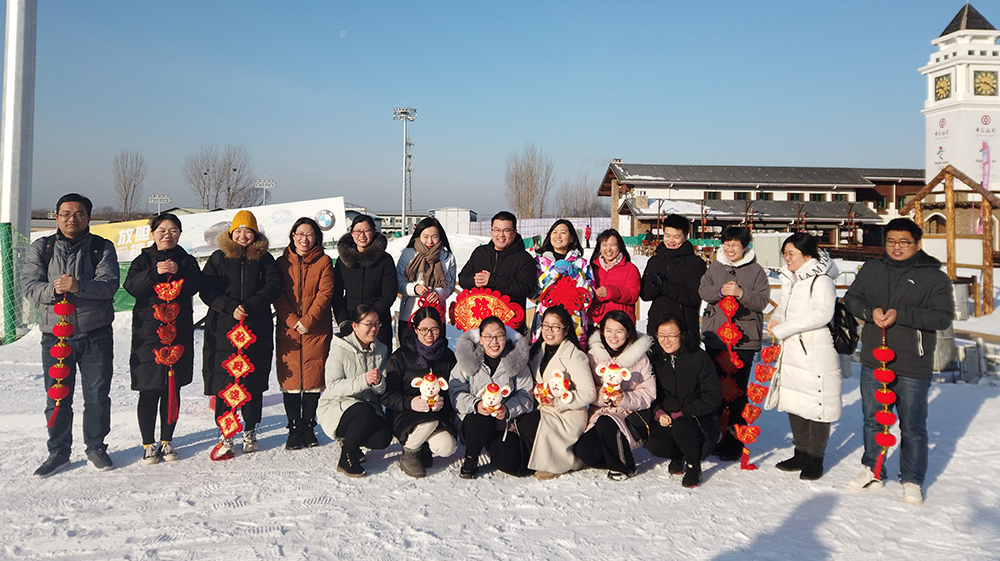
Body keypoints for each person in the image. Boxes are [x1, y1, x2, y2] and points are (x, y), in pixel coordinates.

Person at [844, 218, 953, 505]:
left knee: (912, 426)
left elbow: (942, 317)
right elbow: (852, 298)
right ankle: (872, 469)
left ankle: (912, 479)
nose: (897, 247)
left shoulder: (934, 277)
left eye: (904, 242)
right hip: (874, 359)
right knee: (873, 420)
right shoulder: (872, 269)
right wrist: (869, 311)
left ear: (918, 244)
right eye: (891, 241)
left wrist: (900, 314)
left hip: (912, 362)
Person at [22, 193, 120, 477]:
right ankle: (58, 451)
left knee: (97, 396)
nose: (72, 219)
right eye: (65, 214)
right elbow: (29, 286)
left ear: (89, 218)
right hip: (55, 337)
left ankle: (96, 448)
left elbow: (109, 285)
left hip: (96, 334)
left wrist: (79, 286)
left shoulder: (102, 247)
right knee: (57, 398)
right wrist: (53, 289)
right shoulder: (42, 247)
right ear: (56, 217)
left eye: (79, 214)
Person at [201, 210, 282, 457]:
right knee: (225, 382)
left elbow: (274, 286)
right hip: (224, 328)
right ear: (231, 233)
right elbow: (207, 289)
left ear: (255, 234)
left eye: (248, 231)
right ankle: (226, 432)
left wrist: (251, 306)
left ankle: (250, 429)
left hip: (256, 327)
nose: (243, 236)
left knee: (252, 382)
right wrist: (229, 306)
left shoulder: (265, 259)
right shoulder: (218, 258)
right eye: (238, 231)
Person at [124, 213, 202, 465]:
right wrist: (154, 272)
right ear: (153, 233)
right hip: (148, 334)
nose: (167, 235)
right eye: (162, 231)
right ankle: (148, 443)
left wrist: (180, 272)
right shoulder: (142, 260)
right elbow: (132, 288)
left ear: (179, 234)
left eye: (173, 231)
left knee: (172, 388)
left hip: (178, 333)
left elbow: (196, 286)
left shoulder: (187, 261)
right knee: (148, 390)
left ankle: (167, 440)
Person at [766, 232, 842, 481]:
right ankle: (800, 452)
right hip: (792, 350)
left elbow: (822, 313)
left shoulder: (821, 280)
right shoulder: (791, 278)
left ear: (808, 256)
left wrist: (784, 328)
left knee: (818, 405)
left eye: (792, 253)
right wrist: (777, 319)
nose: (787, 258)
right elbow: (784, 306)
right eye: (785, 254)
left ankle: (815, 457)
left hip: (814, 351)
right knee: (794, 401)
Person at [698, 226, 771, 461]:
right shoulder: (715, 267)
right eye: (726, 244)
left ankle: (733, 442)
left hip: (744, 340)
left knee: (737, 392)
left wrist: (741, 293)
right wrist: (720, 291)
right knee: (715, 390)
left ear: (745, 247)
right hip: (717, 338)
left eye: (735, 245)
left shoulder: (756, 271)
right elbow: (703, 290)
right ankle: (715, 437)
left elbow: (762, 301)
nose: (730, 249)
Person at [274, 217, 335, 450]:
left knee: (312, 380)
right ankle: (293, 428)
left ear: (316, 237)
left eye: (309, 234)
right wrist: (292, 321)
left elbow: (325, 293)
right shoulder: (281, 263)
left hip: (316, 329)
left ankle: (309, 427)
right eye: (300, 234)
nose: (304, 239)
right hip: (288, 330)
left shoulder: (324, 261)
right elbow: (278, 294)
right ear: (293, 235)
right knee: (290, 381)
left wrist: (308, 321)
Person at [450, 315, 534, 479]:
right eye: (488, 336)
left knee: (513, 465)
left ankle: (493, 445)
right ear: (480, 339)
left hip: (503, 423)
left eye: (499, 336)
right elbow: (455, 392)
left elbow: (526, 393)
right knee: (481, 419)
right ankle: (471, 457)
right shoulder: (467, 360)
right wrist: (476, 405)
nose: (494, 341)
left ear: (506, 337)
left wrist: (507, 409)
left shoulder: (516, 361)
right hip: (474, 421)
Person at [575, 310, 654, 481]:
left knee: (607, 421)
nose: (613, 336)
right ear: (602, 331)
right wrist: (601, 396)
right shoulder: (593, 356)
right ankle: (616, 456)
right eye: (609, 330)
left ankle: (625, 467)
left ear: (628, 332)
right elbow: (586, 387)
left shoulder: (640, 359)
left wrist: (624, 398)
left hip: (629, 415)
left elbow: (649, 393)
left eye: (619, 331)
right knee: (584, 451)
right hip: (599, 413)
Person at [645, 315, 722, 488]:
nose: (666, 341)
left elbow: (713, 396)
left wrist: (683, 413)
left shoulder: (699, 358)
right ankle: (678, 455)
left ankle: (694, 465)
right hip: (669, 417)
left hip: (700, 420)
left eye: (672, 336)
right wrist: (659, 412)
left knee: (682, 425)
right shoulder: (656, 359)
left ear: (683, 335)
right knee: (654, 444)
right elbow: (652, 393)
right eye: (661, 336)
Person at [317, 305, 393, 477]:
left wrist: (378, 382)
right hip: (337, 405)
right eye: (369, 324)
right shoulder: (339, 348)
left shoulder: (381, 349)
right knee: (363, 411)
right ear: (355, 326)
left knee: (383, 437)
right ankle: (347, 458)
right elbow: (333, 386)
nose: (374, 328)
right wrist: (364, 380)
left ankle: (351, 440)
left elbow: (381, 391)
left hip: (368, 408)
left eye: (377, 323)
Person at [381, 307, 458, 478]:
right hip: (405, 413)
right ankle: (410, 452)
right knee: (429, 422)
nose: (429, 334)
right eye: (423, 329)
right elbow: (387, 396)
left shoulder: (447, 356)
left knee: (447, 447)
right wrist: (410, 402)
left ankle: (423, 446)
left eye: (434, 329)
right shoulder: (400, 356)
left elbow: (453, 390)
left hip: (437, 413)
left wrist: (443, 402)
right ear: (415, 330)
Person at [522, 306, 596, 479]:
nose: (549, 331)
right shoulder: (537, 351)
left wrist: (558, 402)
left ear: (566, 330)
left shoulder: (575, 356)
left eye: (555, 327)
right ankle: (541, 459)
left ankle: (559, 462)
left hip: (567, 413)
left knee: (531, 423)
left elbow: (589, 393)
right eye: (546, 325)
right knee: (524, 423)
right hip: (544, 408)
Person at [457, 211, 536, 335]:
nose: (501, 235)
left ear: (515, 232)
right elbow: (463, 278)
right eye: (497, 230)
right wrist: (475, 280)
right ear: (492, 230)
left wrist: (493, 280)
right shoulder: (480, 253)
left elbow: (525, 288)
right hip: (479, 324)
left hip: (510, 327)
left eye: (506, 230)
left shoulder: (524, 259)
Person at [640, 214, 706, 346]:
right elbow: (644, 295)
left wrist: (664, 286)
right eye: (667, 235)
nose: (671, 240)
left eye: (676, 237)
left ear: (685, 236)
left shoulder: (695, 264)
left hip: (684, 330)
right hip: (656, 328)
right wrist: (654, 286)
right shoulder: (655, 261)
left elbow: (692, 298)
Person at [333, 215, 397, 348]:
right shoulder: (343, 260)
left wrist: (370, 318)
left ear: (373, 232)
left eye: (366, 230)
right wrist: (343, 321)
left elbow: (389, 292)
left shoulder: (385, 260)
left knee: (379, 359)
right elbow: (336, 294)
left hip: (378, 322)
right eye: (357, 231)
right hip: (351, 323)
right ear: (352, 233)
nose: (362, 235)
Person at [531, 219, 593, 347]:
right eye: (554, 232)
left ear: (571, 238)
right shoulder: (539, 262)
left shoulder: (583, 264)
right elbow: (533, 293)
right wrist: (552, 272)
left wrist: (575, 275)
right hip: (545, 324)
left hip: (574, 323)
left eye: (563, 232)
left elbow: (588, 297)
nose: (558, 236)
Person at [396, 217, 456, 347]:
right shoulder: (408, 254)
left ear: (440, 237)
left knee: (435, 353)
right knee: (409, 353)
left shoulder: (447, 257)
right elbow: (398, 282)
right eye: (425, 236)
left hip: (436, 316)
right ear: (418, 236)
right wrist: (414, 288)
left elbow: (450, 286)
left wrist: (438, 293)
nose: (430, 241)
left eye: (434, 237)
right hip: (410, 314)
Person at [587, 229, 641, 326]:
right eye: (604, 245)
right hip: (596, 321)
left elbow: (633, 295)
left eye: (612, 245)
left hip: (621, 322)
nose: (608, 249)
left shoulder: (630, 269)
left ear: (620, 246)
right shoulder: (592, 268)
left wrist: (611, 292)